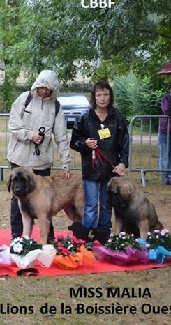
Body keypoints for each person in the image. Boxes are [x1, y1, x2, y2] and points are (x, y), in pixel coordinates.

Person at [7, 70, 71, 242]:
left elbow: (61, 136)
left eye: (47, 89)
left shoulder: (56, 107)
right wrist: (30, 135)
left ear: (53, 90)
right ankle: (17, 236)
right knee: (17, 199)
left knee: (45, 202)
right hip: (19, 159)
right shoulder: (23, 99)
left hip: (41, 162)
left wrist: (66, 162)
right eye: (41, 87)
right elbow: (13, 125)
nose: (43, 91)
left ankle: (48, 237)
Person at [70, 81, 129, 232]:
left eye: (106, 95)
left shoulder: (117, 117)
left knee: (106, 203)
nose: (102, 98)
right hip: (91, 168)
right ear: (94, 97)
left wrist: (122, 162)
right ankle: (89, 234)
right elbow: (74, 141)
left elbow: (124, 142)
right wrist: (85, 143)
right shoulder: (85, 117)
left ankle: (104, 233)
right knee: (90, 204)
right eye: (99, 95)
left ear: (110, 97)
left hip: (111, 169)